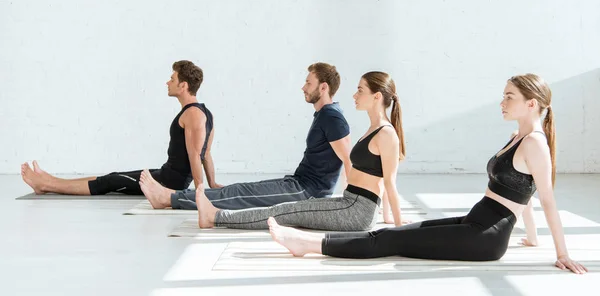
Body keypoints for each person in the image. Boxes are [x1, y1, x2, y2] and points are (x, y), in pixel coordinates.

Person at [267, 74, 588, 275]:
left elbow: (545, 197)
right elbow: (525, 192)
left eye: (509, 96)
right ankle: (308, 242)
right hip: (475, 222)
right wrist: (531, 239)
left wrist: (562, 253)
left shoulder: (534, 143)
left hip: (484, 238)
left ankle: (307, 243)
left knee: (390, 240)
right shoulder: (520, 137)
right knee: (397, 233)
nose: (501, 101)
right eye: (503, 94)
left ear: (532, 104)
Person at [194, 71, 408, 232]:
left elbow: (389, 182)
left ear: (377, 96)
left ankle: (215, 217)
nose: (354, 95)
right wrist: (387, 217)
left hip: (356, 211)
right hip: (349, 203)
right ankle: (216, 215)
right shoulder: (374, 129)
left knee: (282, 212)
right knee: (287, 208)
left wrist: (397, 226)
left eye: (360, 90)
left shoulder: (387, 134)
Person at [139, 62, 352, 210]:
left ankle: (168, 198)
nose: (303, 87)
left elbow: (347, 159)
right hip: (299, 183)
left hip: (308, 192)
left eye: (308, 83)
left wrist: (353, 201)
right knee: (242, 189)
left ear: (323, 87)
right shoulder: (325, 115)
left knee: (241, 197)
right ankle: (173, 197)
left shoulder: (332, 117)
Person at [20, 60, 218, 195]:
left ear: (183, 86)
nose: (168, 82)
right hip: (166, 176)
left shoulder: (192, 114)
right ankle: (48, 180)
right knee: (112, 177)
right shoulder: (205, 113)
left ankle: (45, 184)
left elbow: (195, 155)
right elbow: (206, 153)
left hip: (168, 183)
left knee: (110, 182)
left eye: (172, 79)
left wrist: (199, 190)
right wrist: (212, 184)